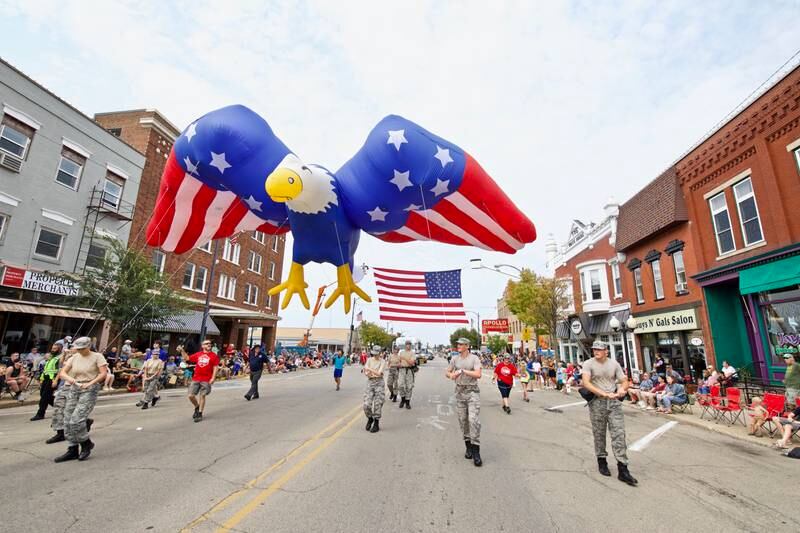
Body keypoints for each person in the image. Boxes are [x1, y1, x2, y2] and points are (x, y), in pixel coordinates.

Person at [581, 340, 637, 486]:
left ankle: (623, 469)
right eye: (594, 349)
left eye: (599, 349)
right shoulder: (588, 364)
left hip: (614, 402)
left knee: (619, 433)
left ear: (606, 350)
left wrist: (622, 389)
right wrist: (603, 394)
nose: (596, 351)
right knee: (599, 433)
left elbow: (624, 380)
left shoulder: (614, 364)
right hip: (597, 402)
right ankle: (602, 460)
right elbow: (586, 382)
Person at [54, 337, 108, 463]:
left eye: (82, 348)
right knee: (67, 419)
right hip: (75, 387)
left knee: (76, 420)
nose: (80, 350)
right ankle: (72, 449)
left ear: (88, 346)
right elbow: (63, 372)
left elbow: (103, 373)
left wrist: (91, 383)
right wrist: (71, 379)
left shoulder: (97, 356)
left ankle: (85, 443)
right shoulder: (74, 357)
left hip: (89, 388)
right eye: (78, 348)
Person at [446, 337, 482, 467]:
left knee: (473, 420)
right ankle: (468, 446)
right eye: (458, 344)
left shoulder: (474, 358)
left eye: (461, 344)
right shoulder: (455, 359)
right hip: (460, 392)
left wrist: (462, 371)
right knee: (463, 421)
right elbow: (447, 372)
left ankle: (476, 450)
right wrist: (451, 375)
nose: (458, 346)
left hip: (472, 392)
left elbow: (478, 374)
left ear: (467, 346)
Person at [187, 340, 220, 422]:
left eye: (210, 343)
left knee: (202, 395)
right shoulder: (198, 354)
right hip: (196, 378)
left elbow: (215, 367)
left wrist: (213, 378)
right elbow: (187, 358)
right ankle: (197, 406)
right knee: (190, 395)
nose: (209, 344)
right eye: (206, 343)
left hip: (206, 379)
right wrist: (182, 351)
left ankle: (200, 413)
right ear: (202, 346)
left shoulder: (214, 356)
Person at [30, 345, 61, 421]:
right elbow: (46, 370)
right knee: (44, 395)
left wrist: (56, 380)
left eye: (54, 349)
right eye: (52, 348)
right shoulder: (51, 358)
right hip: (46, 379)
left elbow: (60, 370)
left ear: (59, 350)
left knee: (44, 397)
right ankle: (61, 407)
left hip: (52, 379)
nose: (52, 350)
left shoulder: (59, 358)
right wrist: (41, 379)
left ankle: (40, 413)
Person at [363, 346, 387, 433]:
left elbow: (379, 373)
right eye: (374, 353)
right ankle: (370, 418)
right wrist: (368, 373)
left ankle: (376, 423)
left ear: (380, 353)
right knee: (366, 404)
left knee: (378, 403)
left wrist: (369, 369)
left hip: (379, 383)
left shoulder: (383, 361)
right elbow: (366, 373)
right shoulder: (369, 360)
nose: (375, 355)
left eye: (377, 353)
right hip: (370, 382)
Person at [397, 340, 416, 409]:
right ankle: (403, 399)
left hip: (409, 370)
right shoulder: (401, 352)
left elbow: (411, 363)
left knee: (409, 386)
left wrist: (404, 358)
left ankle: (407, 402)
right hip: (402, 370)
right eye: (407, 344)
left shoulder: (412, 353)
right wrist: (398, 364)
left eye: (409, 344)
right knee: (400, 385)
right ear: (405, 345)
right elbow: (399, 361)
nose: (408, 345)